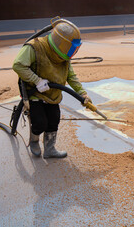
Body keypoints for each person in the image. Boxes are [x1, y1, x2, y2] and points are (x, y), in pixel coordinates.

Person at [12, 19, 91, 158]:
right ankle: (34, 141)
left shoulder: (64, 55)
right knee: (40, 123)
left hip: (53, 94)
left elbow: (70, 76)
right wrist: (37, 81)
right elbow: (18, 65)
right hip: (35, 93)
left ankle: (49, 149)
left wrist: (82, 94)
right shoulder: (35, 47)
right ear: (62, 42)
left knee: (54, 120)